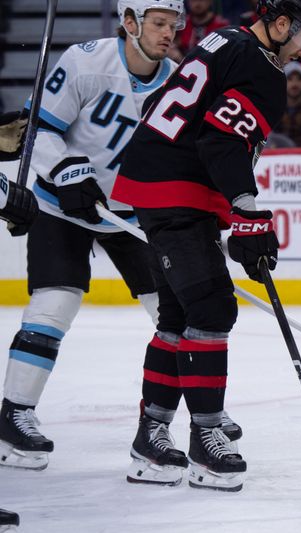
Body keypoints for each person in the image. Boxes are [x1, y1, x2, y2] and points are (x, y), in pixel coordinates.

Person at [111, 0, 301, 491]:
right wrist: (247, 212)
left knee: (179, 314)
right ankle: (206, 440)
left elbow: (159, 108)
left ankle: (152, 436)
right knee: (210, 307)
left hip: (157, 181)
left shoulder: (223, 40)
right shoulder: (262, 68)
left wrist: (232, 208)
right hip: (176, 189)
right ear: (279, 24)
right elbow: (221, 142)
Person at [0, 0, 186, 472]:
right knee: (54, 304)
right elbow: (36, 130)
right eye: (158, 23)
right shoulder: (85, 61)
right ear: (129, 22)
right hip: (59, 203)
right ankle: (14, 416)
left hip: (126, 213)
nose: (168, 33)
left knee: (173, 314)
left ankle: (164, 424)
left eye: (174, 24)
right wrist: (66, 170)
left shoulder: (176, 81)